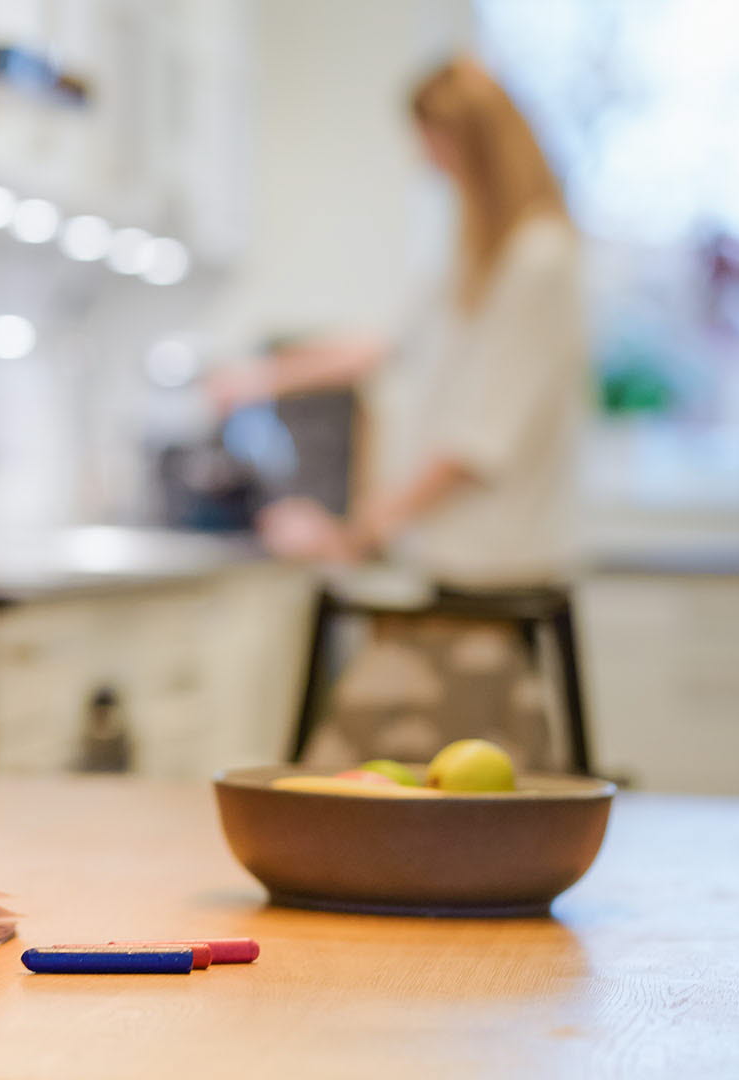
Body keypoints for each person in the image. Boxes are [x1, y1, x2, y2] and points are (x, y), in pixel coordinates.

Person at [218, 56, 589, 770]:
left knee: (358, 779)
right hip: (445, 568)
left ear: (468, 142)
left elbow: (479, 444)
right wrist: (262, 375)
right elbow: (383, 346)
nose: (423, 159)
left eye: (431, 141)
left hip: (489, 576)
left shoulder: (537, 260)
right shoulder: (477, 255)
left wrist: (356, 535)